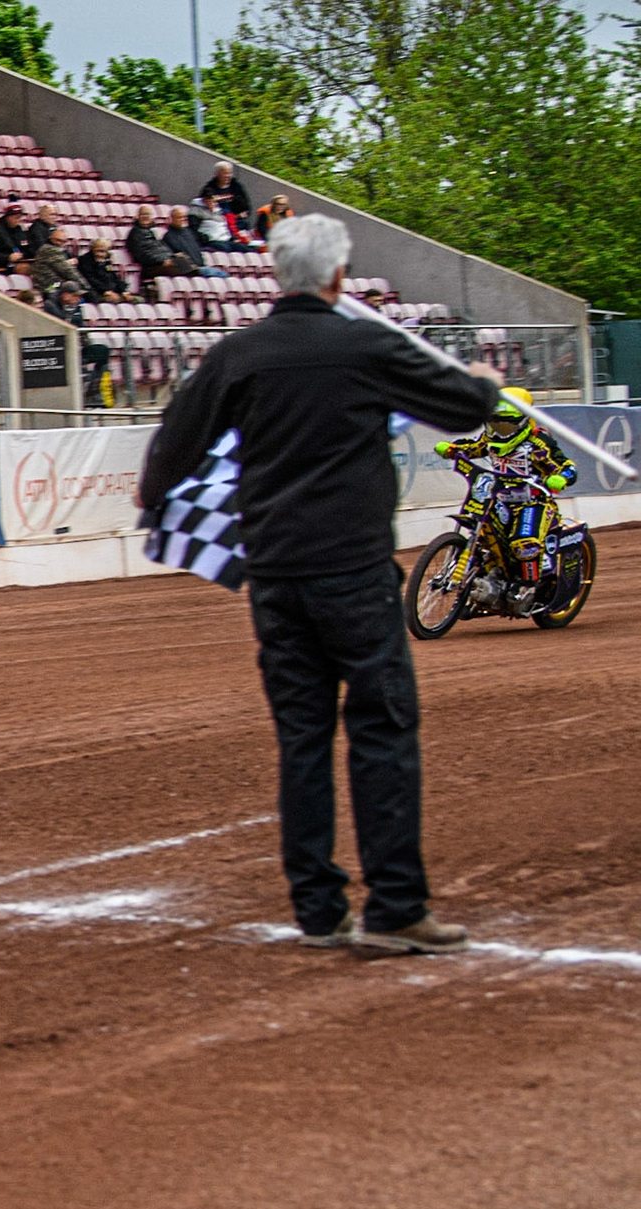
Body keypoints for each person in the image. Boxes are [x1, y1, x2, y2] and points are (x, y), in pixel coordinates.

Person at [138, 213, 503, 955]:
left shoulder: (240, 354)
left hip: (274, 576)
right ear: (338, 276)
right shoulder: (366, 344)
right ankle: (396, 904)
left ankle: (317, 908)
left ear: (278, 273)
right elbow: (463, 406)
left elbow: (166, 460)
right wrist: (486, 384)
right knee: (381, 727)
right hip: (354, 569)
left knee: (302, 736)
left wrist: (168, 500)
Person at [434, 386, 576, 594]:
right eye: (494, 424)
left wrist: (561, 477)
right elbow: (472, 447)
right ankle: (481, 579)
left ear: (524, 421)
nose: (500, 431)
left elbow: (567, 467)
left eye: (506, 426)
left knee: (523, 543)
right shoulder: (490, 439)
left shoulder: (538, 443)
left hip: (532, 501)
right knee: (484, 536)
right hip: (498, 499)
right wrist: (452, 449)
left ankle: (528, 586)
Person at [42, 280, 112, 407]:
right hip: (57, 348)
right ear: (65, 295)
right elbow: (62, 324)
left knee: (102, 351)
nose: (79, 299)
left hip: (77, 347)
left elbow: (81, 328)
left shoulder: (77, 308)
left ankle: (94, 391)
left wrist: (86, 342)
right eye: (76, 296)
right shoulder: (50, 305)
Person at [126, 204, 192, 281]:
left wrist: (171, 256)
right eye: (143, 214)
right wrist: (162, 261)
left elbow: (162, 249)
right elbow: (141, 255)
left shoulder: (153, 231)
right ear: (138, 216)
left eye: (148, 214)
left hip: (164, 262)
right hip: (151, 266)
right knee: (180, 271)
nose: (145, 216)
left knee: (188, 265)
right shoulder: (135, 234)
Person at [163, 206, 228, 278]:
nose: (182, 219)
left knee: (224, 275)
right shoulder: (169, 236)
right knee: (221, 275)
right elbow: (176, 255)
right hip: (191, 269)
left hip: (200, 266)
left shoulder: (189, 232)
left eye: (184, 217)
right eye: (179, 217)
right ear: (172, 219)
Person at [29, 225, 83, 295]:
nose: (60, 243)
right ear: (51, 239)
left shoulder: (63, 251)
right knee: (70, 287)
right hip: (47, 287)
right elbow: (67, 271)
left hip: (57, 284)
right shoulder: (49, 250)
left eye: (63, 241)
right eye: (58, 240)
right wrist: (85, 286)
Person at [76, 237, 127, 303]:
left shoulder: (107, 262)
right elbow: (90, 280)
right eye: (98, 251)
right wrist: (105, 291)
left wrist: (123, 291)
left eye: (103, 251)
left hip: (112, 291)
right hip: (96, 292)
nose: (99, 254)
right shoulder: (85, 261)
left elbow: (114, 277)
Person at [0, 203, 31, 271]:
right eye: (16, 218)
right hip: (5, 264)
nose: (19, 220)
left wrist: (22, 255)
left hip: (21, 261)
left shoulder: (20, 230)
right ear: (8, 217)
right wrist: (8, 257)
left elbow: (27, 249)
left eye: (20, 217)